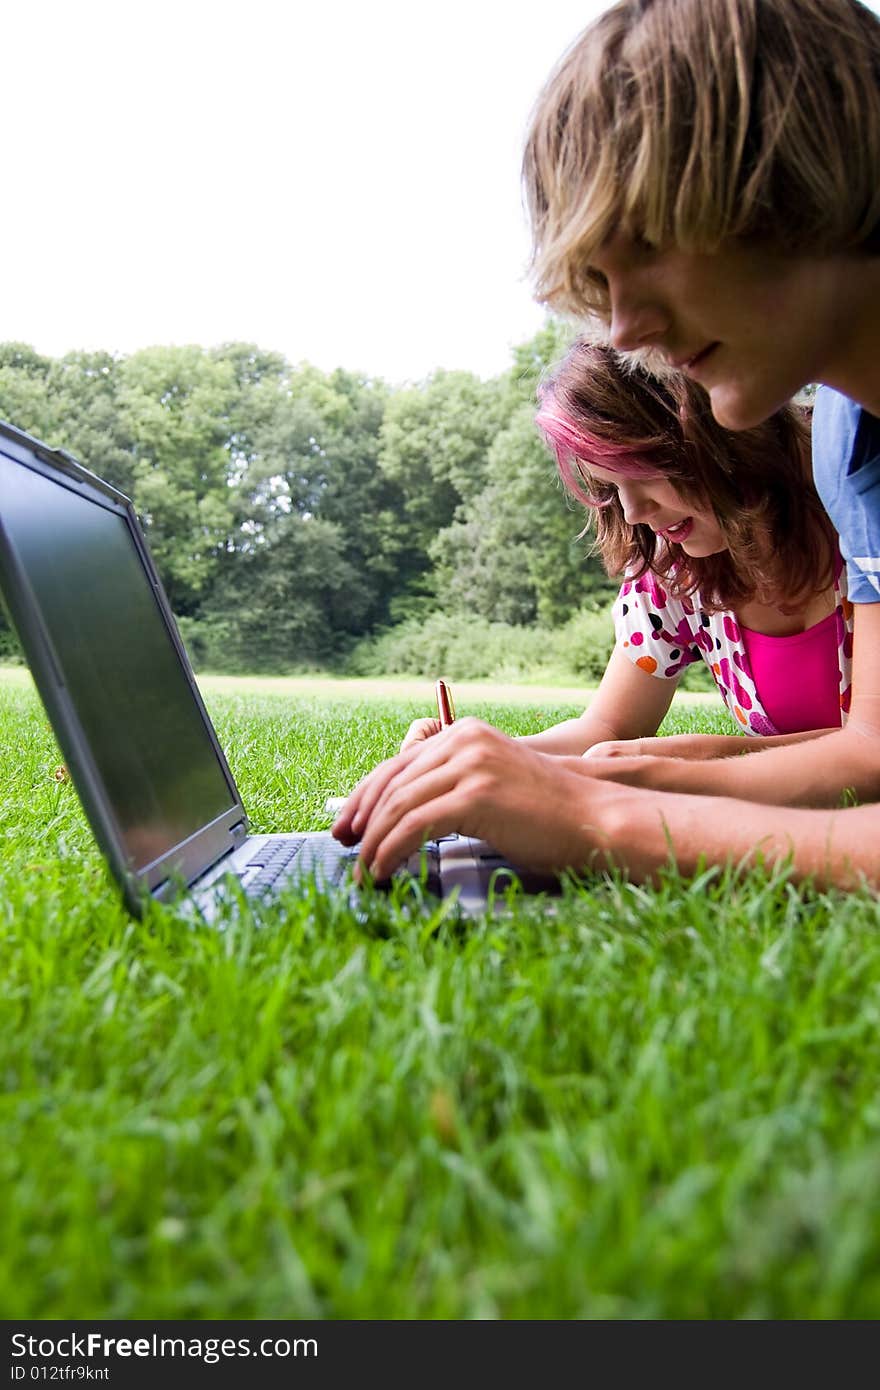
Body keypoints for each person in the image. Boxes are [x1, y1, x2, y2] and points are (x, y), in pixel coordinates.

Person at [333, 0, 880, 891]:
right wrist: (582, 772)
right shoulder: (851, 452)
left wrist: (602, 813)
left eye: (651, 244)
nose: (626, 326)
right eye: (602, 282)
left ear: (802, 174)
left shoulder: (827, 475)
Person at [400, 340, 852, 763]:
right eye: (613, 487)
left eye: (642, 472)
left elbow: (867, 746)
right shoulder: (676, 571)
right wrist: (481, 753)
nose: (633, 512)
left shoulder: (860, 504)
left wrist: (697, 759)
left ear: (711, 428)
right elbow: (608, 727)